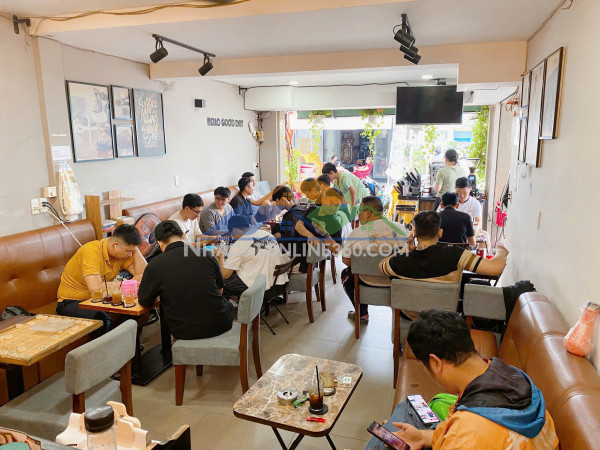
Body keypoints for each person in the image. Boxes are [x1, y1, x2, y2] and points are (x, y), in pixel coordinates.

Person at [380, 310, 559, 449]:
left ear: (435, 362)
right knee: (408, 409)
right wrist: (422, 437)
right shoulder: (511, 375)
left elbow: (466, 437)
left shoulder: (465, 434)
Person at [379, 211, 508, 319]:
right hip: (445, 318)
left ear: (415, 233)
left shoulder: (399, 261)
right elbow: (495, 268)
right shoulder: (456, 255)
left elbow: (381, 266)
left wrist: (406, 247)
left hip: (411, 316)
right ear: (440, 232)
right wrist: (501, 252)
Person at [137, 221, 233, 340]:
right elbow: (220, 290)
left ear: (159, 243)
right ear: (183, 235)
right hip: (221, 324)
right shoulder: (207, 255)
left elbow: (144, 301)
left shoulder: (155, 265)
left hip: (185, 332)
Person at [57, 224, 147, 332]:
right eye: (128, 251)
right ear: (115, 245)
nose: (130, 255)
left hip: (98, 300)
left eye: (132, 251)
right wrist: (127, 284)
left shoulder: (121, 253)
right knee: (101, 318)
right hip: (72, 302)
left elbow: (144, 275)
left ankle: (127, 342)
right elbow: (96, 288)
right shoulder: (91, 251)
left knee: (133, 310)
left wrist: (134, 249)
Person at [341, 196, 408, 323]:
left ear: (368, 213)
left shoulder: (356, 233)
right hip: (396, 280)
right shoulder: (401, 229)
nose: (358, 215)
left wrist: (365, 264)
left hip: (366, 280)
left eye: (360, 211)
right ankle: (402, 315)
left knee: (346, 274)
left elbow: (346, 260)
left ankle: (362, 314)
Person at [220, 215, 290, 298]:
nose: (233, 237)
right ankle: (238, 300)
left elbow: (224, 275)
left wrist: (220, 256)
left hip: (262, 290)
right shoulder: (267, 234)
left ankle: (234, 303)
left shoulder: (239, 244)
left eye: (231, 234)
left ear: (234, 230)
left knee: (219, 281)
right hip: (278, 284)